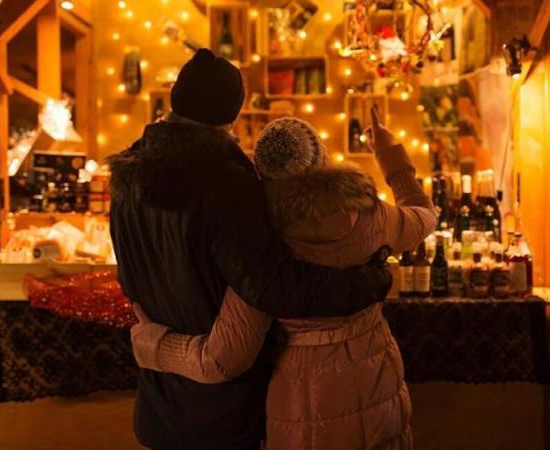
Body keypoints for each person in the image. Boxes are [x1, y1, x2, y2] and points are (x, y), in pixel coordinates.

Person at [108, 48, 392, 450]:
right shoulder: (227, 184)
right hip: (224, 411)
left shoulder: (125, 177)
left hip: (161, 404)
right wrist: (369, 281)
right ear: (233, 115)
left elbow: (130, 282)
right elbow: (274, 285)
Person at [130, 110, 436, 449]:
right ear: (321, 157)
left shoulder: (260, 246)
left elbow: (221, 360)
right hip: (379, 395)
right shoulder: (371, 215)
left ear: (261, 173)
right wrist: (390, 154)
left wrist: (154, 345)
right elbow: (424, 217)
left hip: (302, 411)